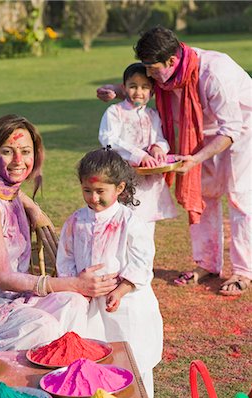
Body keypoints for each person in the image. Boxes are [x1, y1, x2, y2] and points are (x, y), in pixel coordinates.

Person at [97, 26, 252, 297]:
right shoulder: (169, 73)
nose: (151, 77)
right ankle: (207, 264)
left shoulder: (215, 72)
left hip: (243, 126)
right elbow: (142, 90)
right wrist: (116, 90)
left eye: (154, 71)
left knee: (240, 195)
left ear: (172, 61)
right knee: (205, 194)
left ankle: (243, 271)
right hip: (205, 130)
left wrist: (196, 159)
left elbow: (231, 129)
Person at [0, 114, 118, 351]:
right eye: (8, 151)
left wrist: (32, 206)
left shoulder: (7, 191)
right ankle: (13, 380)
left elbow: (10, 190)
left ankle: (65, 374)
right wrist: (73, 282)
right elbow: (4, 278)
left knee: (73, 303)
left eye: (25, 151)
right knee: (42, 327)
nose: (18, 160)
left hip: (7, 299)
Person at [56, 148, 163, 398]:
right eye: (87, 191)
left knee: (134, 357)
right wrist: (77, 283)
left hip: (126, 305)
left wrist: (122, 289)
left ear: (119, 188)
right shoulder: (75, 221)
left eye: (100, 191)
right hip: (90, 303)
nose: (93, 198)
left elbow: (142, 261)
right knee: (98, 359)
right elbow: (66, 258)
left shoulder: (130, 222)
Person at [98, 62, 176, 237]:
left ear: (153, 91)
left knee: (146, 228)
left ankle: (144, 264)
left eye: (144, 87)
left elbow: (160, 138)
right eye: (133, 86)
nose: (138, 92)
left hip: (148, 181)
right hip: (123, 178)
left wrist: (158, 148)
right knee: (123, 225)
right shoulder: (114, 112)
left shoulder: (152, 114)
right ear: (124, 88)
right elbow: (108, 140)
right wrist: (139, 155)